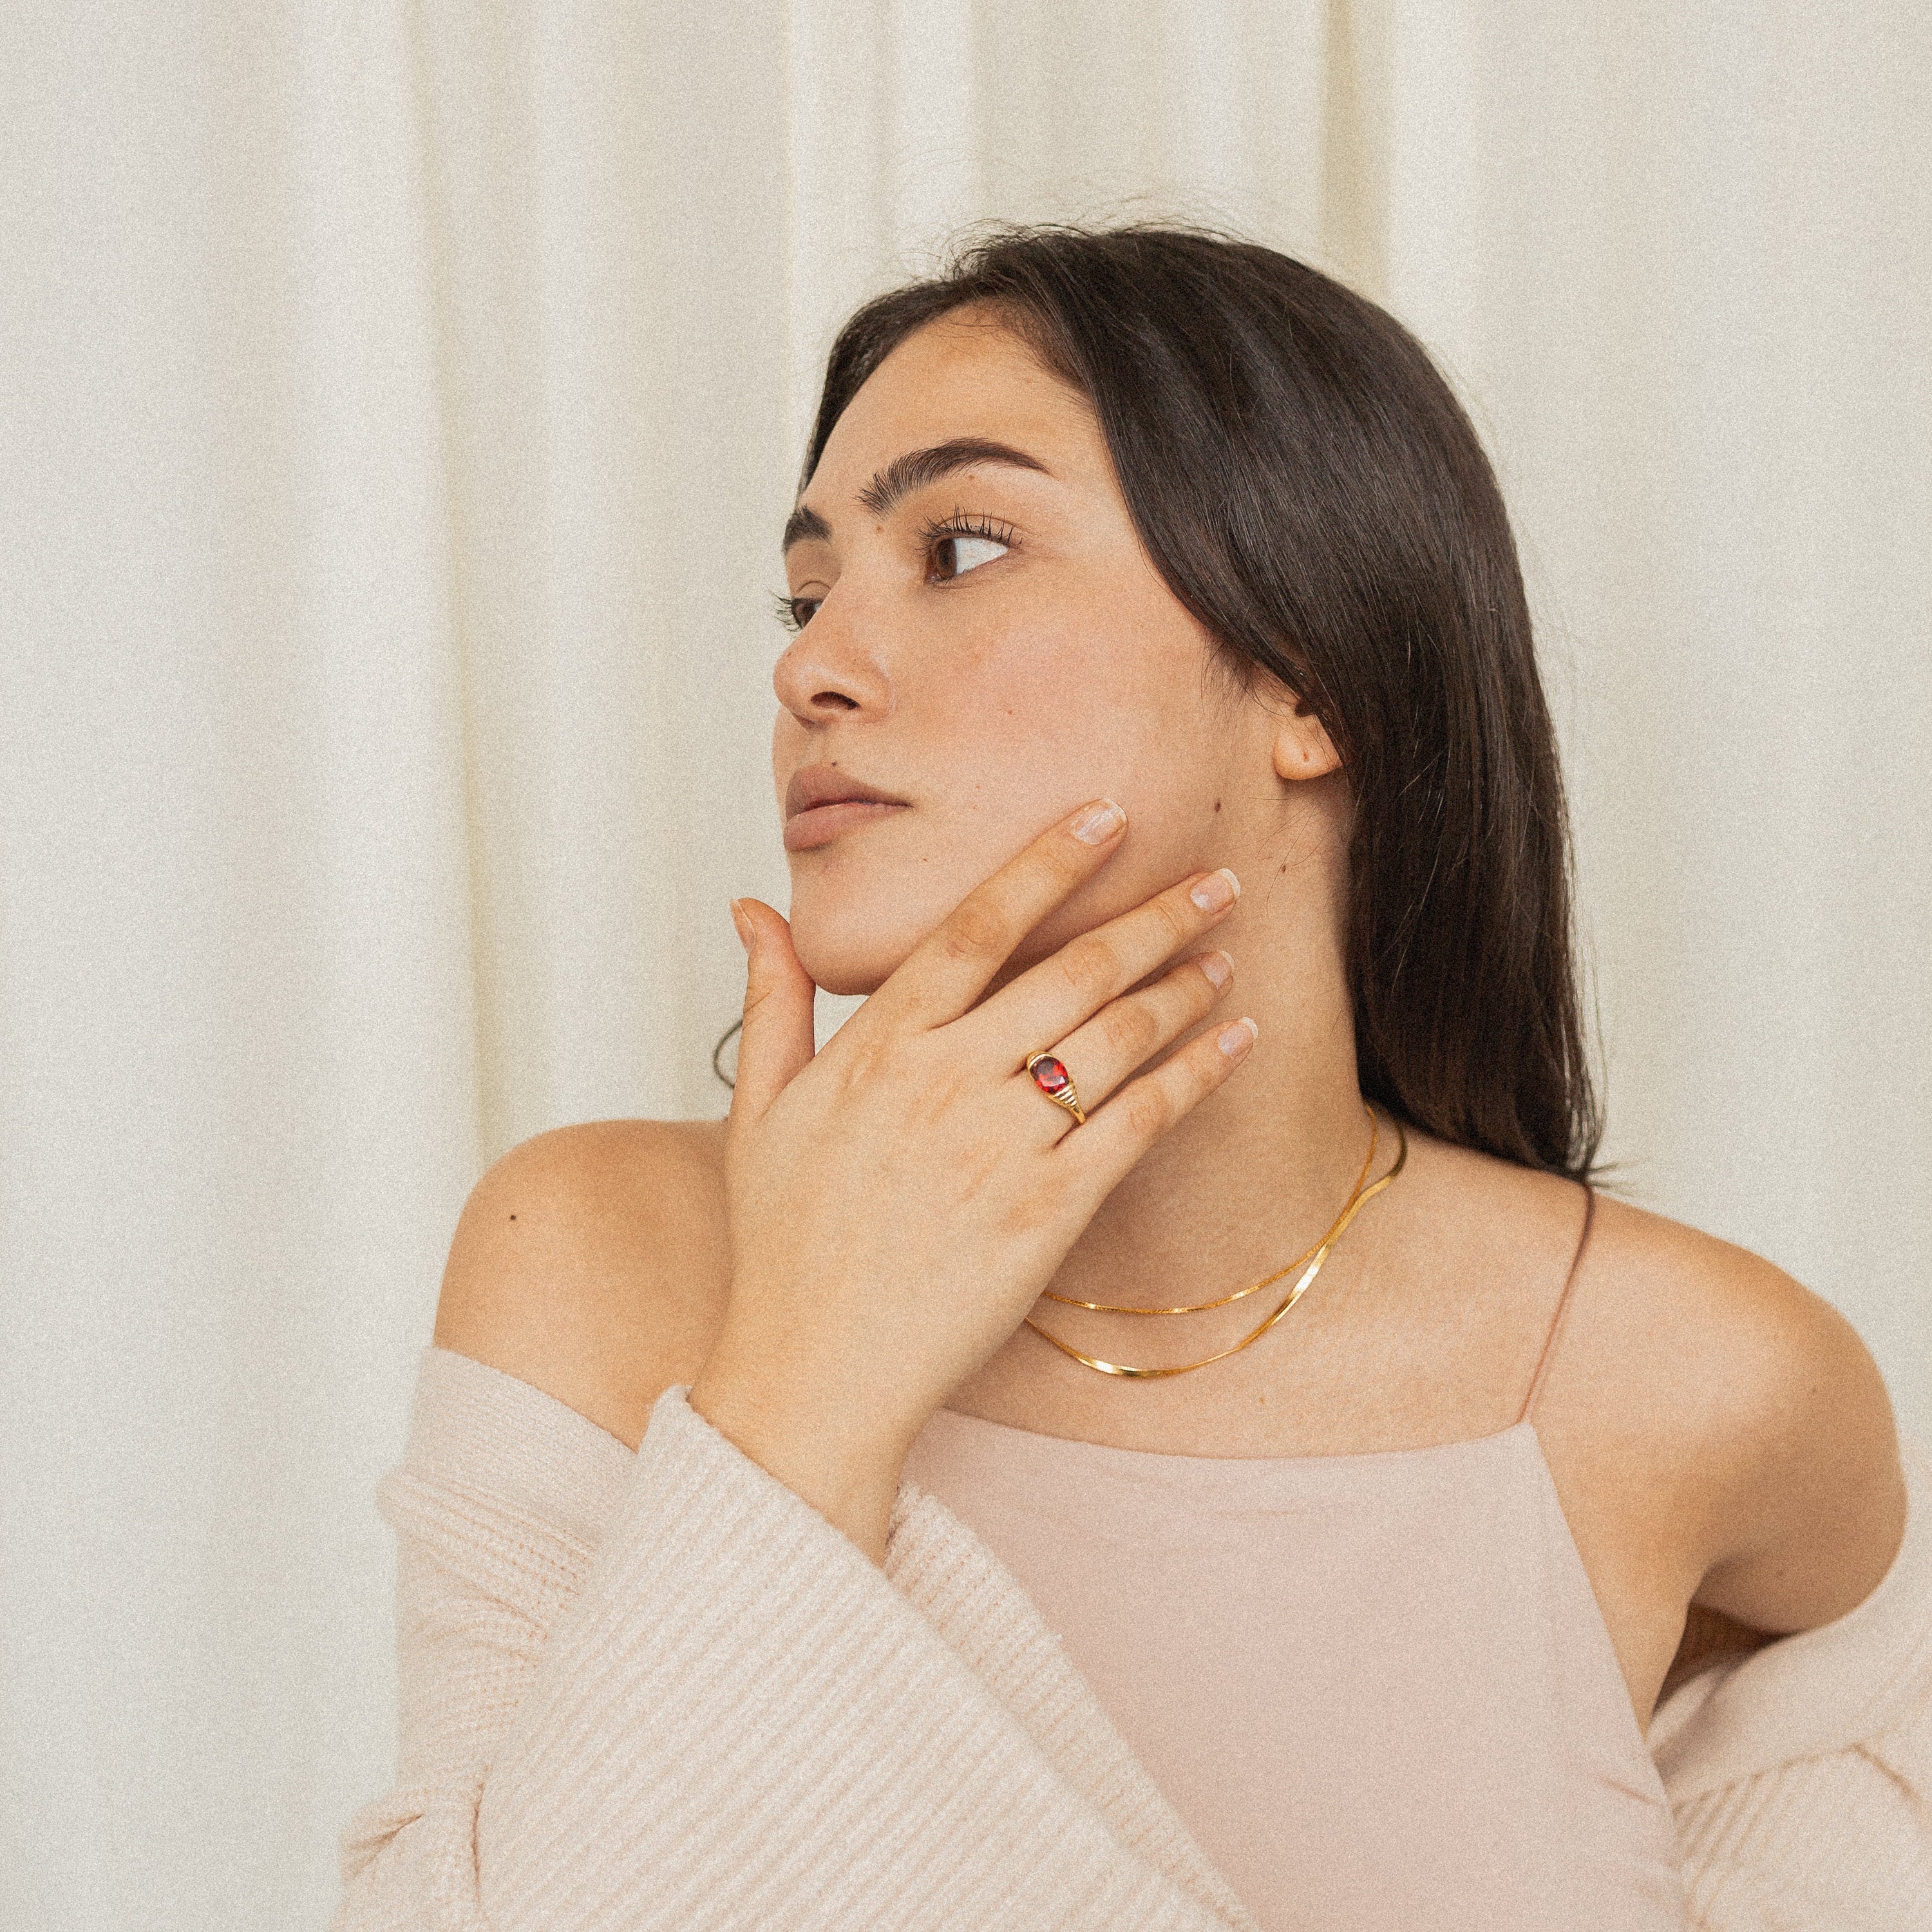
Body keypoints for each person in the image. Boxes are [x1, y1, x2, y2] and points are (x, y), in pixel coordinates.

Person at [336, 227, 1927, 1932]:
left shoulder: (1694, 1382)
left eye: (960, 547)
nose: (811, 666)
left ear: (1309, 679)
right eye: (808, 593)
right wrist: (809, 1379)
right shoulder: (604, 1257)